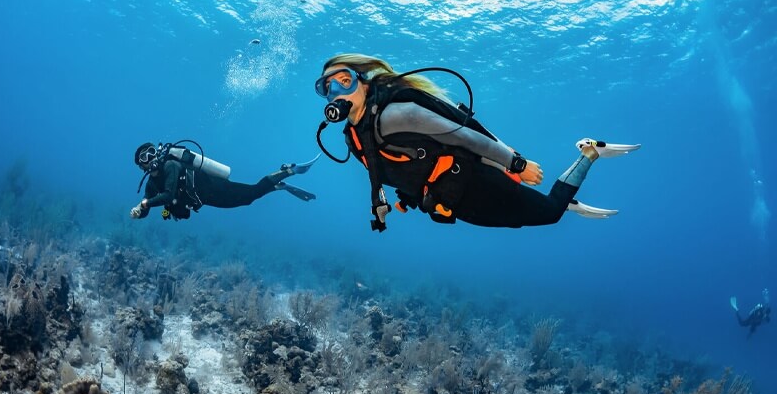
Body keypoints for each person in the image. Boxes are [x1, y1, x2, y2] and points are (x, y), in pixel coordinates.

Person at [313, 53, 640, 231]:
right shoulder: (355, 138)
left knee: (549, 214)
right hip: (453, 201)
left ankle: (590, 151)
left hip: (475, 182)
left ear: (365, 84)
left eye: (346, 80)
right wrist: (406, 202)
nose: (337, 92)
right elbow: (403, 168)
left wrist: (517, 164)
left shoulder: (397, 115)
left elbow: (464, 136)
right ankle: (560, 201)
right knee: (519, 220)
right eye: (328, 87)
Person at [131, 141, 317, 221]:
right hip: (206, 198)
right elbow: (148, 206)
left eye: (152, 152)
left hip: (211, 186)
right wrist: (140, 212)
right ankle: (277, 186)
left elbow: (168, 195)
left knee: (251, 193)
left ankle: (287, 171)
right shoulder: (151, 185)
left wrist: (146, 202)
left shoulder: (170, 165)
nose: (151, 157)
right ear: (142, 166)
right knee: (248, 199)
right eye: (145, 157)